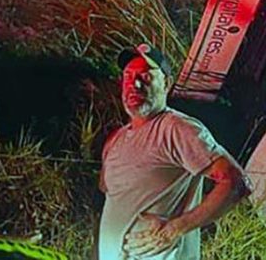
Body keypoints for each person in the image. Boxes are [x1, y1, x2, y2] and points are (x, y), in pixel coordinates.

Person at [99, 45, 250, 260]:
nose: (135, 84)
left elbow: (235, 182)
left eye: (146, 77)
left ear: (167, 84)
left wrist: (175, 229)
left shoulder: (176, 129)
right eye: (128, 77)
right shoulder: (115, 140)